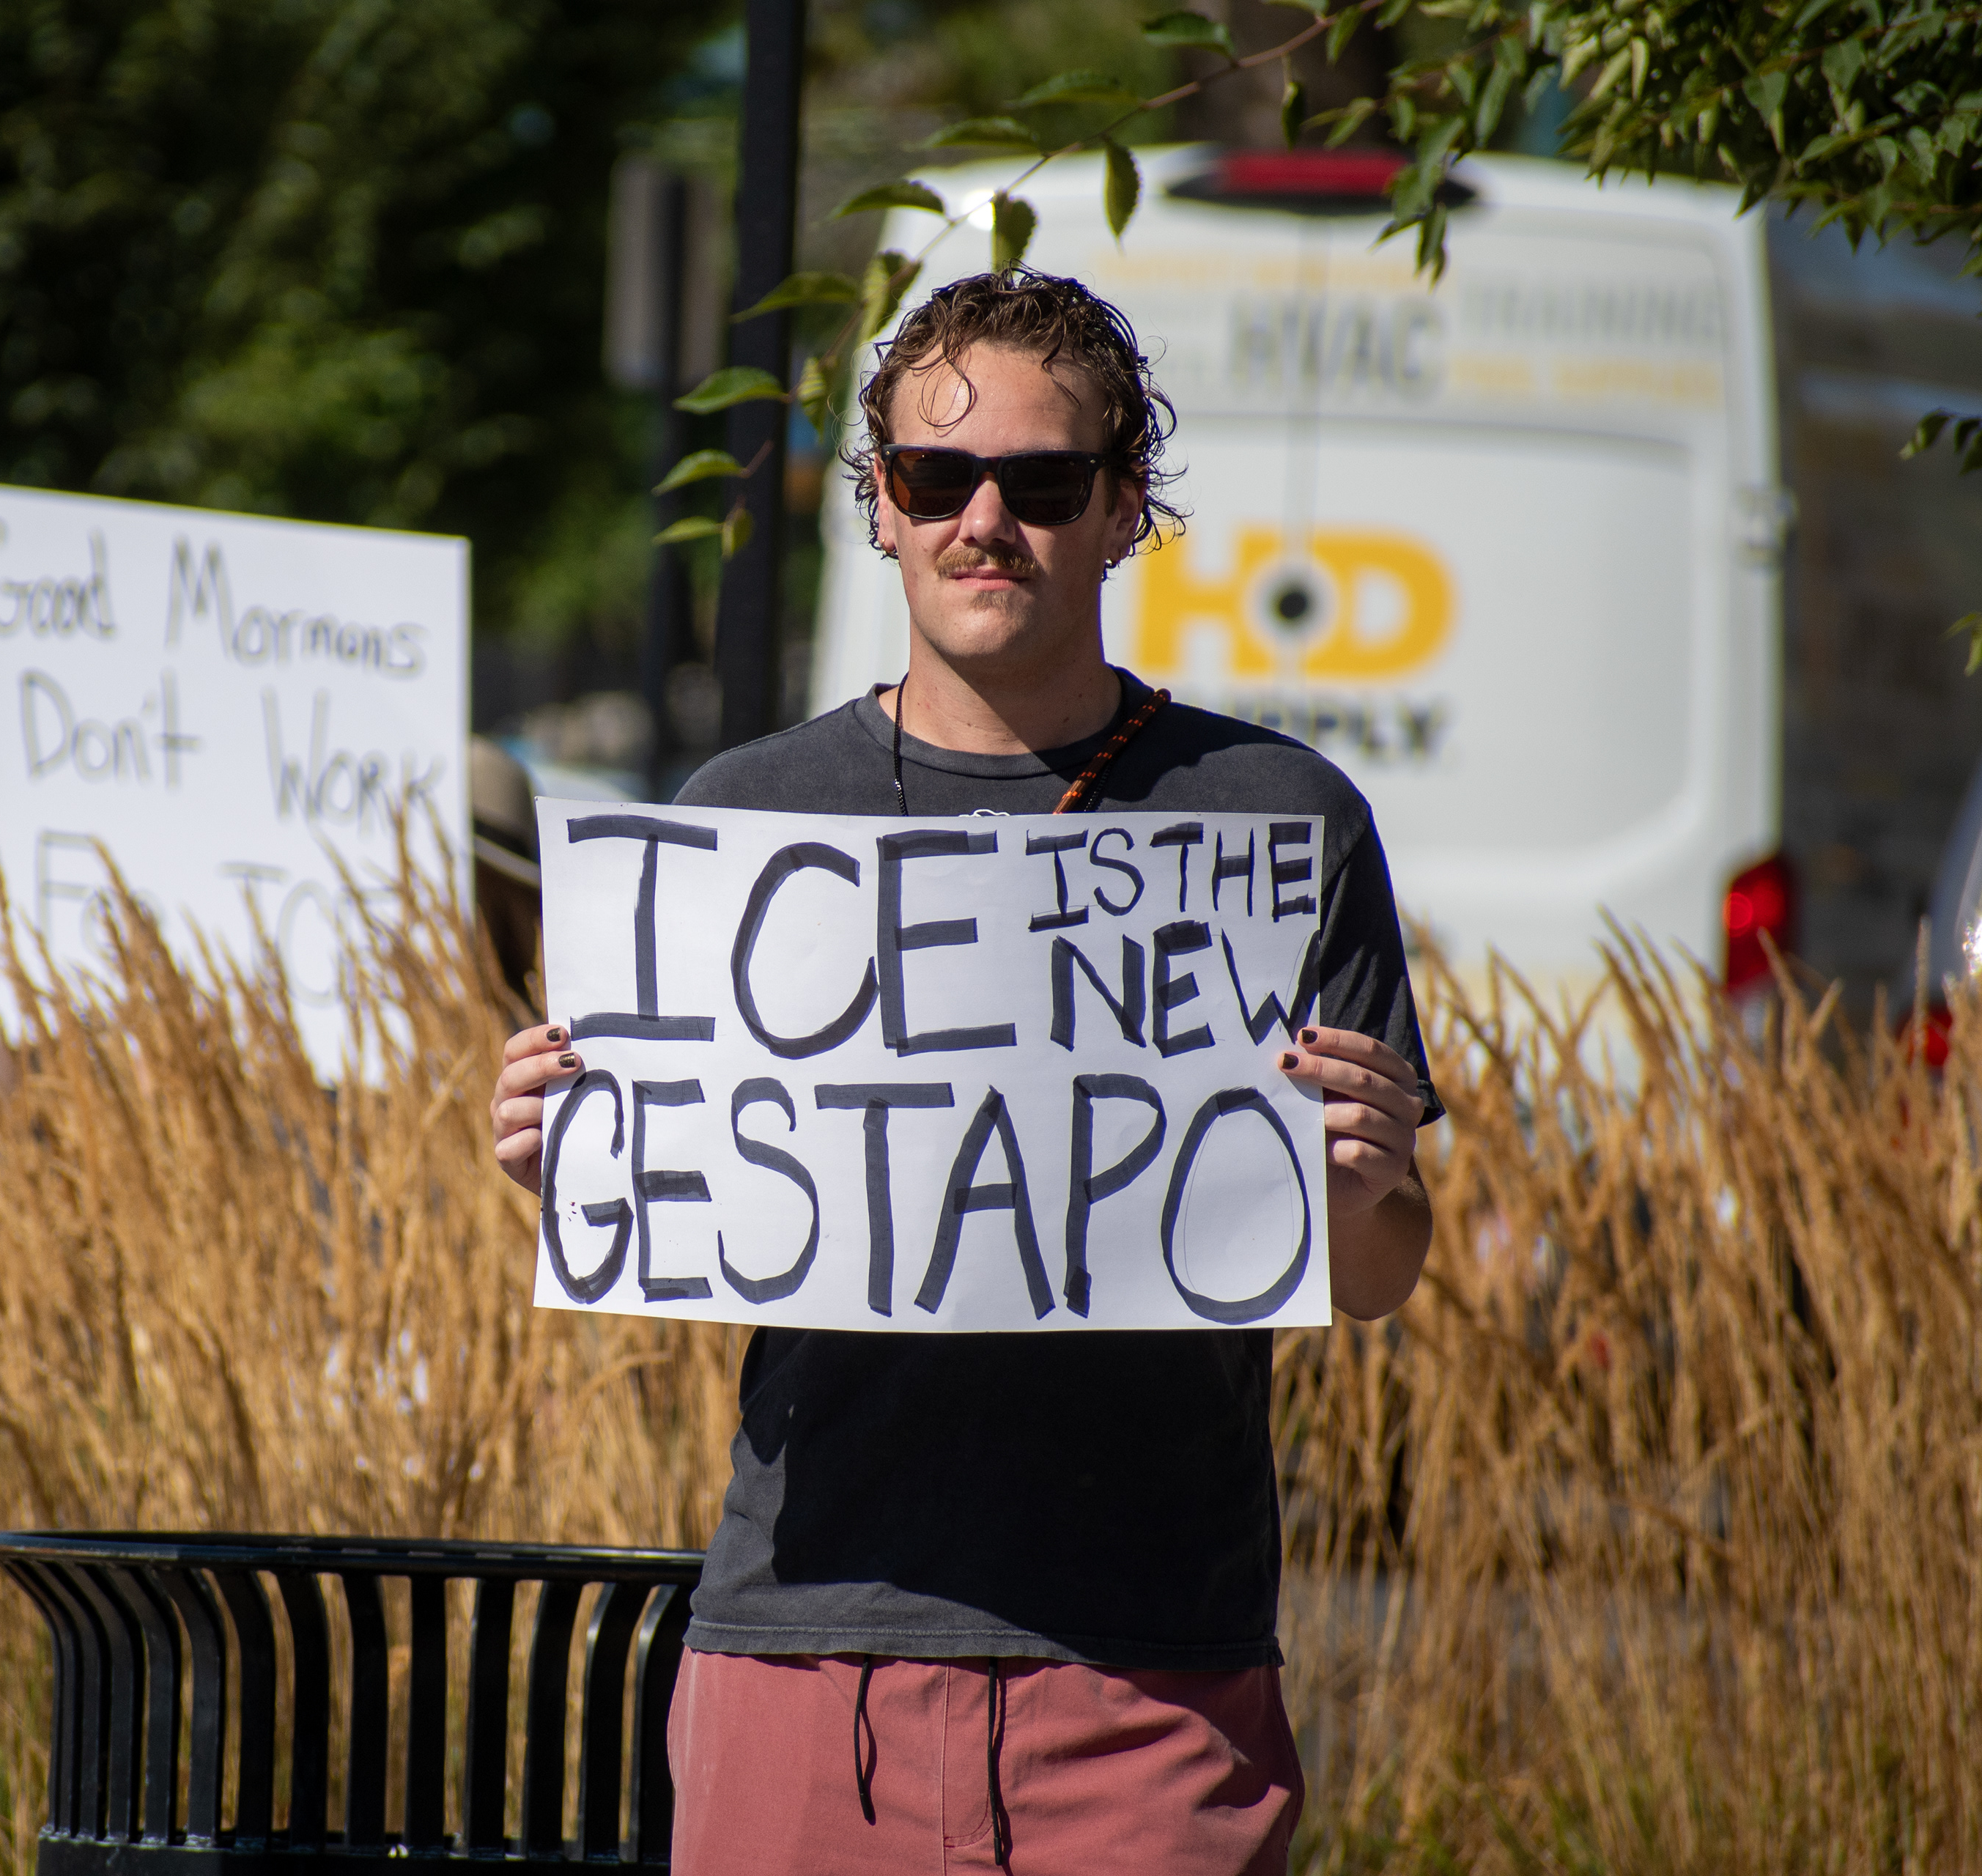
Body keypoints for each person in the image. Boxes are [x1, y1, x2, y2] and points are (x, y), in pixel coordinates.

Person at [487, 270, 1440, 1875]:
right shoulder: (744, 819)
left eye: (1043, 481)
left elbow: (1374, 1277)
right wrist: (572, 1159)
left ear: (1126, 505)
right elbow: (694, 1212)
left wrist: (1364, 1178)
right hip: (801, 1658)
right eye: (939, 479)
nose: (985, 519)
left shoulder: (1275, 818)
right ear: (880, 502)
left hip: (1150, 1676)